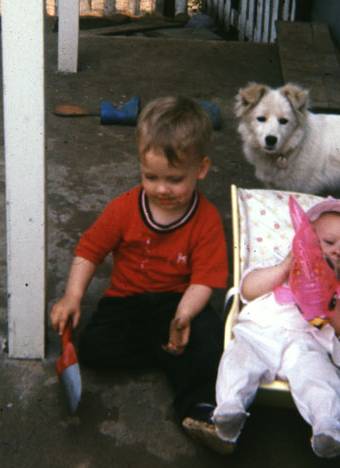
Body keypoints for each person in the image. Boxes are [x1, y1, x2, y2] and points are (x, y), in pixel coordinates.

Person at [50, 96, 229, 447]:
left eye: (175, 179)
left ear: (201, 168)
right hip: (128, 301)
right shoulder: (123, 209)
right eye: (151, 177)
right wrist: (73, 296)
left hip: (179, 302)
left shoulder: (206, 220)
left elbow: (205, 279)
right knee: (93, 347)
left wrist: (183, 316)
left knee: (213, 340)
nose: (162, 189)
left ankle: (200, 410)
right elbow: (89, 251)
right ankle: (166, 352)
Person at [206, 198, 340, 458]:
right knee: (239, 358)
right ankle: (231, 406)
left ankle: (327, 424)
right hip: (261, 331)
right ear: (304, 241)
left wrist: (330, 295)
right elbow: (247, 290)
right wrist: (284, 268)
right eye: (328, 242)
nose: (338, 252)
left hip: (307, 346)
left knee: (321, 378)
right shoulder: (277, 262)